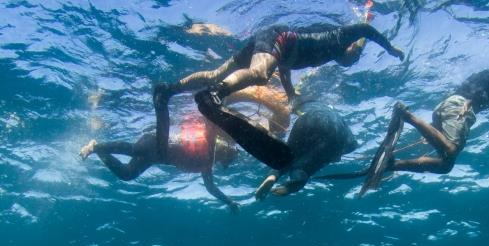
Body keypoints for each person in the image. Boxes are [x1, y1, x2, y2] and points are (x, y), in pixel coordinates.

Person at [154, 22, 404, 157]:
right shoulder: (338, 37)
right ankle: (217, 93)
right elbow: (364, 30)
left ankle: (168, 89)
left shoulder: (327, 54)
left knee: (217, 72)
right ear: (349, 48)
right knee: (260, 75)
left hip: (272, 42)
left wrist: (291, 94)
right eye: (353, 55)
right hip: (276, 38)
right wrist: (389, 47)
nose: (351, 61)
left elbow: (284, 68)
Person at [80, 85, 290, 211]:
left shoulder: (207, 165)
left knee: (127, 174)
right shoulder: (209, 144)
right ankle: (97, 145)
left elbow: (211, 188)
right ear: (224, 150)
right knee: (134, 149)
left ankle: (99, 151)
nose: (225, 161)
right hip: (155, 142)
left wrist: (229, 202)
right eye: (227, 157)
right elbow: (213, 122)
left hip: (157, 156)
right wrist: (223, 99)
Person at [334, 67, 489, 196]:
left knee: (445, 165)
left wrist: (436, 129)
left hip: (450, 106)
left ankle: (392, 164)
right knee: (450, 152)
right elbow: (478, 82)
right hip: (459, 106)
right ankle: (406, 116)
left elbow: (469, 86)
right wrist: (471, 100)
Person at [194, 90, 358, 198]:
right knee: (308, 165)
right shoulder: (344, 132)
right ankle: (294, 183)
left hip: (306, 121)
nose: (337, 161)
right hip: (332, 131)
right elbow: (349, 145)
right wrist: (336, 152)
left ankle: (273, 175)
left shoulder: (308, 105)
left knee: (288, 154)